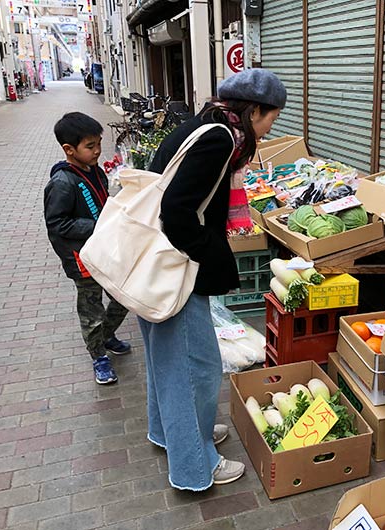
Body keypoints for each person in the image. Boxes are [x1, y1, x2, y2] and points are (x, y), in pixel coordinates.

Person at [140, 68, 286, 491]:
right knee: (196, 368)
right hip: (175, 268)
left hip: (153, 265)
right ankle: (197, 462)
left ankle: (170, 434)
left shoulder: (202, 124)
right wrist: (202, 255)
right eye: (272, 116)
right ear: (254, 109)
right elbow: (178, 209)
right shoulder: (221, 138)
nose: (272, 125)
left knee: (166, 363)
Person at [44, 112, 131, 385]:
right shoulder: (62, 183)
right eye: (90, 146)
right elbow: (57, 224)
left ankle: (106, 336)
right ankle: (99, 357)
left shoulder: (95, 171)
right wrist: (97, 225)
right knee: (91, 310)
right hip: (81, 259)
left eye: (98, 144)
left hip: (104, 250)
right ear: (69, 149)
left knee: (123, 297)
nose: (97, 151)